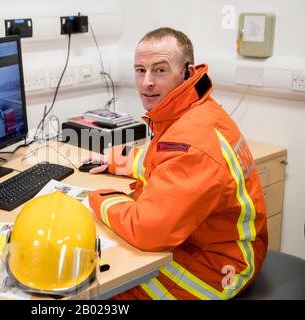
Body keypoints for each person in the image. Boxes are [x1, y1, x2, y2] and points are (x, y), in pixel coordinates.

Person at [87, 27, 268, 300]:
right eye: (140, 70)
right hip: (198, 242)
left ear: (186, 71)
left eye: (160, 70)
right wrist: (117, 161)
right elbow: (164, 162)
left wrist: (99, 198)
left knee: (99, 292)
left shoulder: (192, 141)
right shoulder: (193, 112)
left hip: (216, 265)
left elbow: (146, 230)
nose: (146, 82)